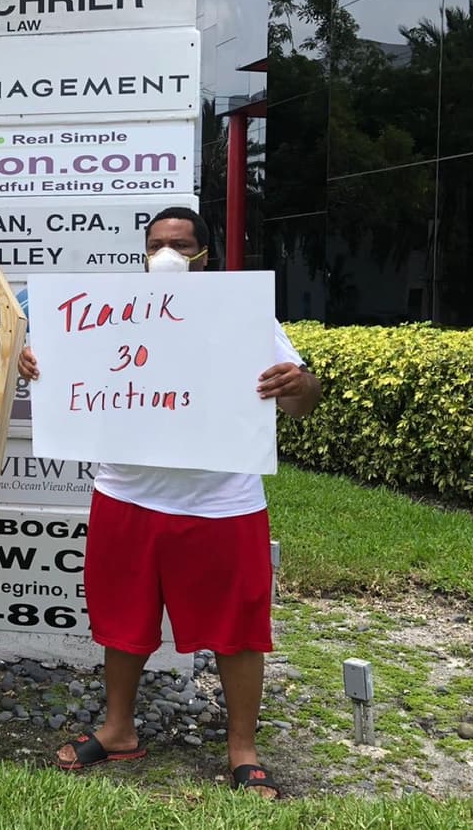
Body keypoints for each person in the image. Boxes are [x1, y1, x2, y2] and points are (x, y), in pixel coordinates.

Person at [18, 206, 320, 799]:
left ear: (206, 256)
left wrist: (298, 384)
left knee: (238, 629)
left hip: (222, 500)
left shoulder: (244, 317)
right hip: (127, 493)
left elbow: (302, 401)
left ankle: (242, 749)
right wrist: (39, 365)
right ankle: (118, 729)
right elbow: (64, 375)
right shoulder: (105, 315)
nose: (167, 255)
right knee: (122, 619)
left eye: (181, 245)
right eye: (156, 243)